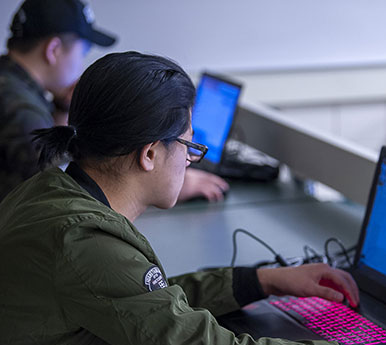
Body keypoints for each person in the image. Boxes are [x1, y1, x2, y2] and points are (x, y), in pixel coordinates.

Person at [0, 52, 386, 345]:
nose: (191, 163)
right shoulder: (85, 242)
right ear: (149, 153)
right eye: (189, 148)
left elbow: (140, 304)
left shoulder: (52, 193)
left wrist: (263, 281)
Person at [0, 0, 228, 203]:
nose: (81, 64)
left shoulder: (12, 86)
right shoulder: (21, 111)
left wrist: (62, 107)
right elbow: (59, 196)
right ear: (54, 50)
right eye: (83, 52)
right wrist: (162, 182)